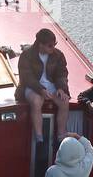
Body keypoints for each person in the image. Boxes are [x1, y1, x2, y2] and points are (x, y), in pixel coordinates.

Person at [16, 28, 71, 169]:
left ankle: (60, 137)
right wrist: (40, 90)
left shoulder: (58, 56)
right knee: (36, 101)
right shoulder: (27, 55)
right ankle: (40, 139)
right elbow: (26, 77)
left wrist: (61, 88)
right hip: (32, 87)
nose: (53, 48)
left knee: (64, 102)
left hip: (52, 86)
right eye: (50, 45)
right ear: (40, 44)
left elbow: (62, 74)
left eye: (54, 44)